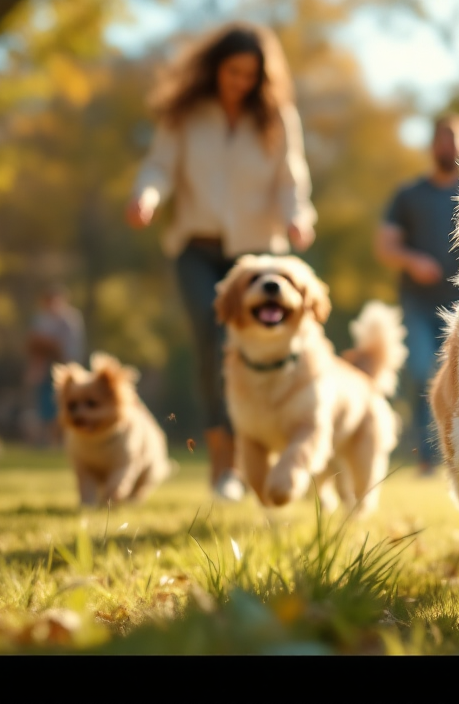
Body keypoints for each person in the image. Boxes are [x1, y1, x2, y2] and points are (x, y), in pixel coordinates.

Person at [127, 22, 317, 501]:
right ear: (216, 69)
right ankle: (223, 468)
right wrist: (146, 198)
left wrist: (298, 218)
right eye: (233, 72)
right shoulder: (186, 115)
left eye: (250, 75)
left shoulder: (276, 116)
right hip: (198, 247)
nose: (241, 82)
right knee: (214, 345)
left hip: (259, 254)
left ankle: (277, 444)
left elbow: (291, 180)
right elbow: (159, 166)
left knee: (270, 349)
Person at [375, 115, 459, 475]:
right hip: (418, 303)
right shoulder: (409, 195)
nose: (448, 145)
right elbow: (385, 246)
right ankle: (426, 456)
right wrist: (412, 260)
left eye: (455, 138)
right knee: (421, 371)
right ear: (432, 146)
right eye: (442, 139)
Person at [28, 285, 86, 446]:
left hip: (65, 369)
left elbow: (73, 348)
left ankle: (63, 440)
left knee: (65, 405)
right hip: (45, 369)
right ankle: (46, 441)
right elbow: (35, 346)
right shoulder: (40, 319)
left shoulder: (71, 319)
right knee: (45, 405)